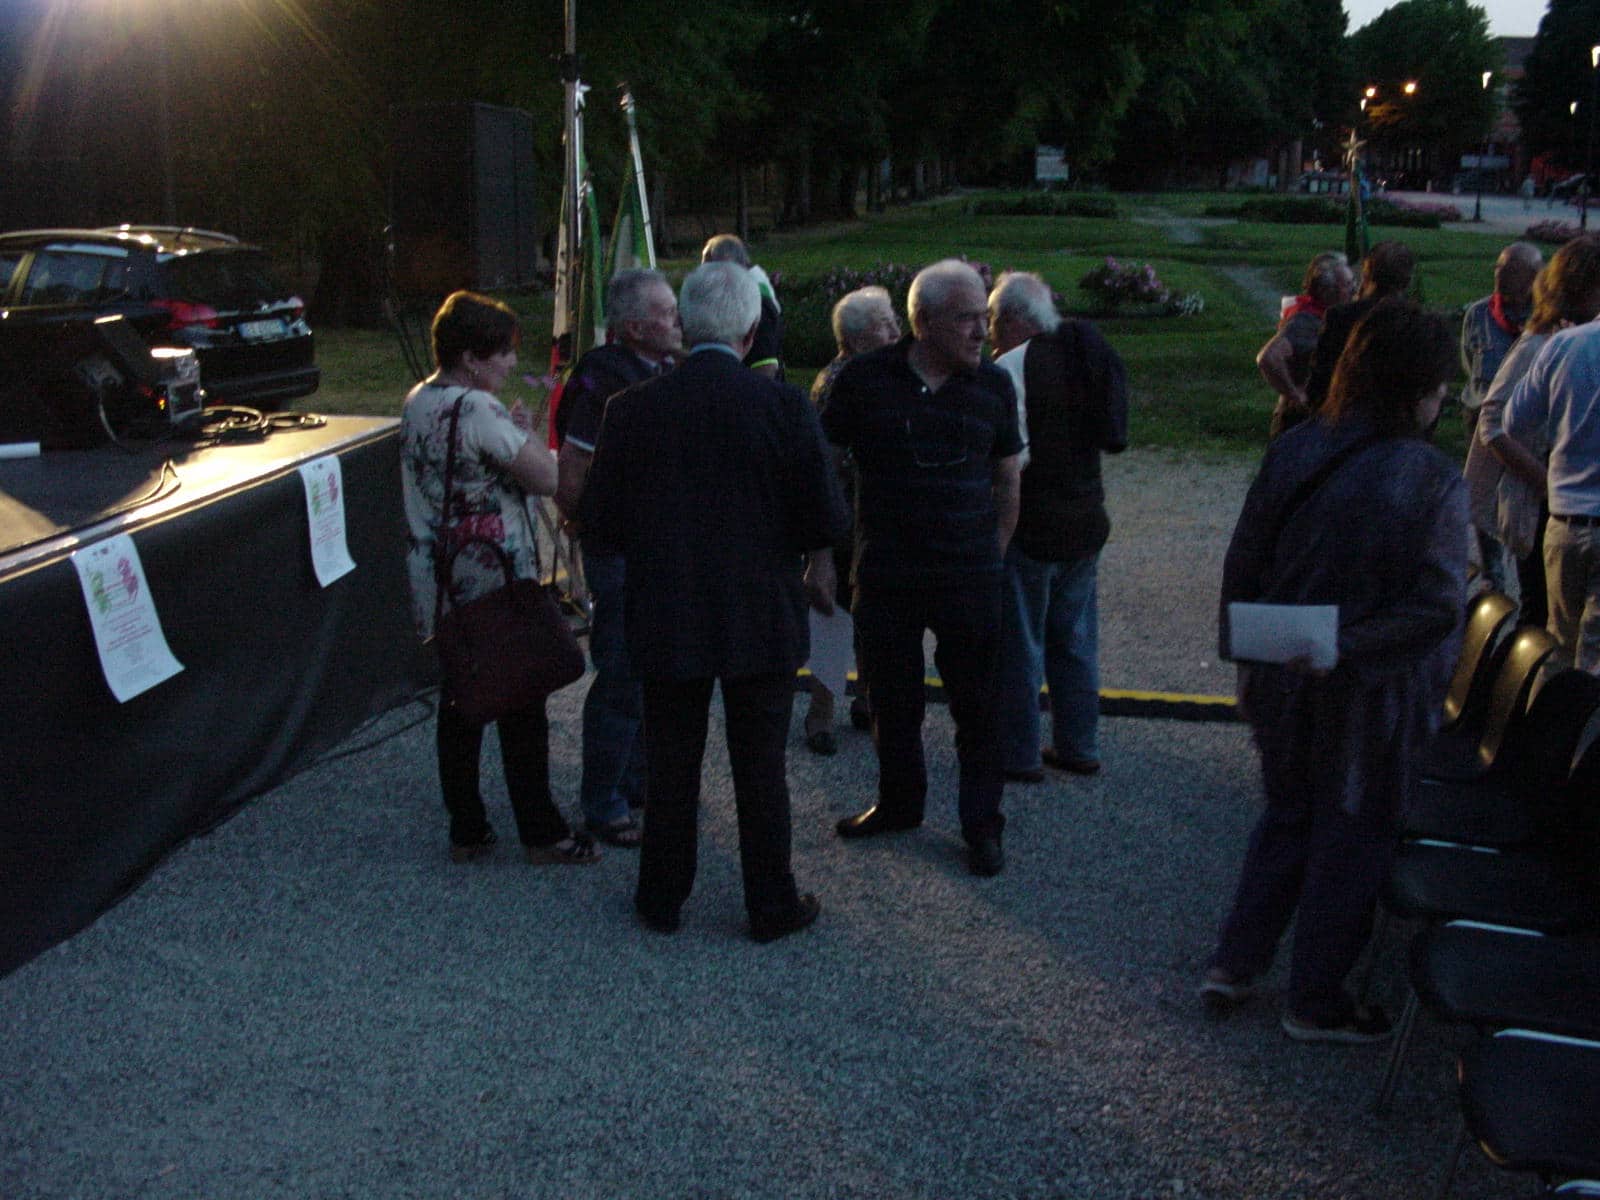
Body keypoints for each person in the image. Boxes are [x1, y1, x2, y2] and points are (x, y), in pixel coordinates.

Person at [1201, 299, 1467, 1043]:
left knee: (1287, 815)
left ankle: (1235, 961)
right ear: (1419, 389)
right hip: (1372, 689)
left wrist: (1247, 650)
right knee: (1355, 832)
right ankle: (1315, 998)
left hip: (1281, 669)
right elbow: (1438, 605)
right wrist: (1346, 645)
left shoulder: (1296, 447)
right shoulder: (1430, 478)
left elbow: (1245, 557)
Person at [581, 262, 846, 941]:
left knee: (671, 763)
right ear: (751, 332)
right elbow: (824, 516)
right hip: (759, 611)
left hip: (667, 610)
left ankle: (662, 896)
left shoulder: (631, 409)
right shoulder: (784, 407)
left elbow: (600, 525)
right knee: (761, 767)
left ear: (685, 325)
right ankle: (771, 902)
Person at [819, 259, 1024, 877]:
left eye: (984, 317)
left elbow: (1007, 479)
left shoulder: (993, 386)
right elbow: (824, 468)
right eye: (966, 319)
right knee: (891, 702)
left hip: (970, 577)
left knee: (978, 708)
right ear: (923, 322)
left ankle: (982, 825)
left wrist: (992, 555)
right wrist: (821, 557)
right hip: (887, 573)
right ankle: (899, 804)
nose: (981, 332)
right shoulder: (863, 380)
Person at [400, 291, 600, 867]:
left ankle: (467, 827)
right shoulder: (477, 410)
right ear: (470, 358)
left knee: (462, 694)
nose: (513, 364)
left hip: (441, 575)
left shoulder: (419, 399)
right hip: (495, 576)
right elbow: (547, 478)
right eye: (503, 353)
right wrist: (528, 437)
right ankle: (542, 831)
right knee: (523, 699)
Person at [552, 269, 683, 848]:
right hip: (621, 553)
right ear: (634, 327)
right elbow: (571, 470)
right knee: (623, 677)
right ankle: (603, 803)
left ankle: (637, 783)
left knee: (651, 673)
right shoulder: (603, 382)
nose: (677, 320)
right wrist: (588, 527)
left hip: (657, 551)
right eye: (666, 311)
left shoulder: (660, 370)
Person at [987, 271, 1128, 783]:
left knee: (1021, 647)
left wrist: (998, 534)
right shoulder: (1085, 354)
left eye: (991, 319)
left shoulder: (1012, 368)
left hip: (1034, 528)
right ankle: (1079, 745)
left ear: (1011, 318)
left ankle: (1019, 754)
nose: (987, 331)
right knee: (1075, 642)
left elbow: (1012, 465)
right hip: (1087, 520)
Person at [1465, 236, 1600, 627]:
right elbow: (1494, 424)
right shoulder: (1542, 342)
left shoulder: (1573, 338)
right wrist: (1547, 483)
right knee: (1542, 614)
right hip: (1546, 502)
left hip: (1565, 500)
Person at [800, 285, 902, 755]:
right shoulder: (842, 382)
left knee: (865, 613)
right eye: (885, 324)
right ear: (858, 339)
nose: (897, 330)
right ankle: (821, 714)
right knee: (836, 615)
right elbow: (825, 463)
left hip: (866, 517)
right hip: (843, 520)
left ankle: (863, 699)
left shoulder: (873, 373)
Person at [1505, 259, 1600, 675]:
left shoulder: (1564, 345)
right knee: (1594, 661)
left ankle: (1542, 715)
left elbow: (1513, 421)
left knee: (1557, 649)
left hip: (1564, 520)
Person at [1303, 240, 1416, 411]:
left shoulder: (1340, 317)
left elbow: (1320, 379)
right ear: (1407, 281)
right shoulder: (1416, 322)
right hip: (1396, 417)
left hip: (1344, 413)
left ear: (1366, 274)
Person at [1255, 252, 1354, 438]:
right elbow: (1268, 358)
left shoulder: (1332, 318)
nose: (1354, 290)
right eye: (1347, 285)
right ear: (1326, 291)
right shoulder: (1306, 321)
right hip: (1300, 423)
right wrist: (1295, 395)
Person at [1460, 243, 1541, 437]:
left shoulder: (1544, 317)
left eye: (1511, 270)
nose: (1499, 274)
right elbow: (1468, 360)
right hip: (1480, 415)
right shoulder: (1479, 313)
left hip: (1526, 420)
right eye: (1498, 267)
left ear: (1533, 276)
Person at [701, 234, 784, 380]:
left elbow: (766, 366)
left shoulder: (757, 303)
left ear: (726, 260)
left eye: (707, 263)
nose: (702, 270)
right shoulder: (739, 299)